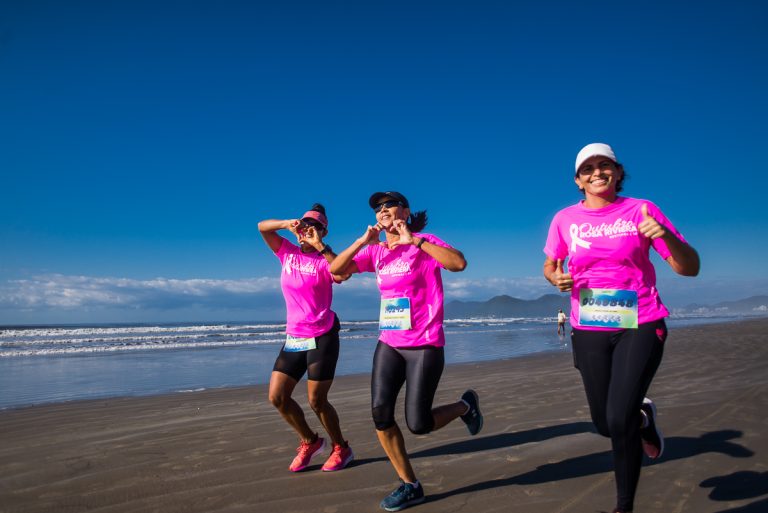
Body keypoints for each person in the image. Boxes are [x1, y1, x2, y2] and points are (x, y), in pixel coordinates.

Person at [543, 143, 700, 513]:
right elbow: (551, 265)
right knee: (604, 422)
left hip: (640, 322)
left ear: (617, 172)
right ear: (578, 180)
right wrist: (556, 278)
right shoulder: (564, 219)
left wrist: (665, 234)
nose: (597, 173)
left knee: (618, 418)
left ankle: (623, 507)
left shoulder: (641, 210)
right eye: (588, 169)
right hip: (589, 326)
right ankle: (643, 418)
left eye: (605, 165)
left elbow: (689, 267)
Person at [330, 191, 483, 512]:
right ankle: (410, 485)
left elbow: (458, 263)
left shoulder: (424, 241)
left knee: (419, 423)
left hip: (425, 343)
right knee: (380, 413)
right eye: (378, 208)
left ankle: (464, 406)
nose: (383, 210)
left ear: (406, 211)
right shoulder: (377, 252)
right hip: (389, 343)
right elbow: (337, 271)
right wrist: (362, 241)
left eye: (390, 205)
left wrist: (414, 241)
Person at [258, 204, 354, 473]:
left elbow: (343, 273)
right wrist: (288, 223)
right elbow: (261, 226)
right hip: (295, 337)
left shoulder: (326, 259)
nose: (307, 229)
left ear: (323, 230)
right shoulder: (286, 252)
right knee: (277, 397)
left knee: (317, 401)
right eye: (304, 224)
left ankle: (340, 447)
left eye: (314, 226)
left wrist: (321, 245)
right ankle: (310, 442)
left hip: (323, 335)